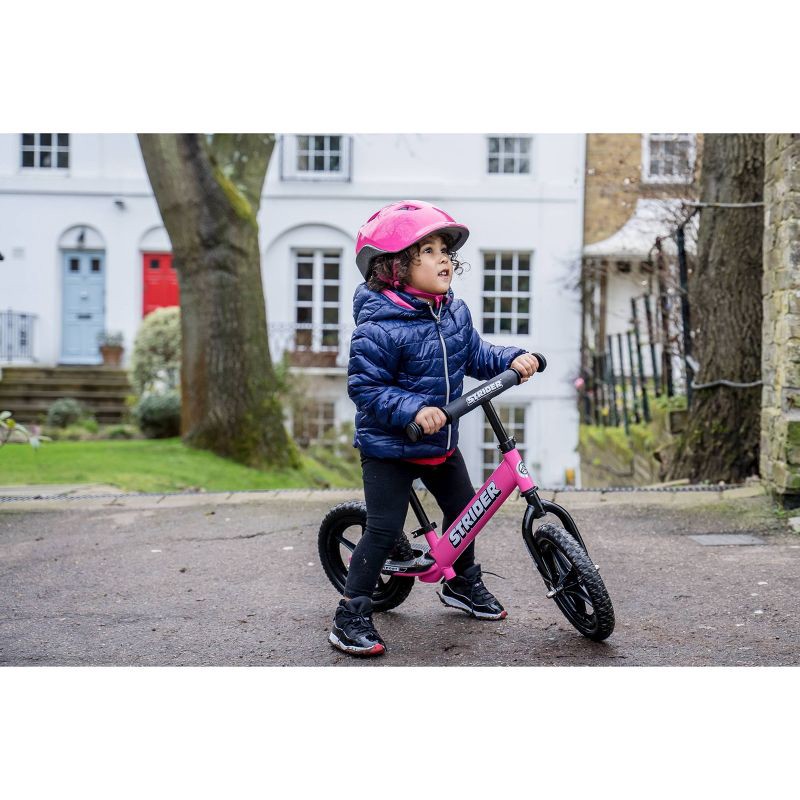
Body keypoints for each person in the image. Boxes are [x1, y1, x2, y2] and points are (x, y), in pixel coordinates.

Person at [329, 200, 541, 657]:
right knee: (383, 529)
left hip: (441, 441)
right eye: (427, 250)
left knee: (465, 511)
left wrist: (512, 359)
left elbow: (476, 357)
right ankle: (351, 614)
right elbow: (366, 388)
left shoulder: (452, 312)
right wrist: (412, 411)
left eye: (445, 248)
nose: (443, 258)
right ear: (395, 266)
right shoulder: (379, 325)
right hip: (390, 445)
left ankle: (462, 584)